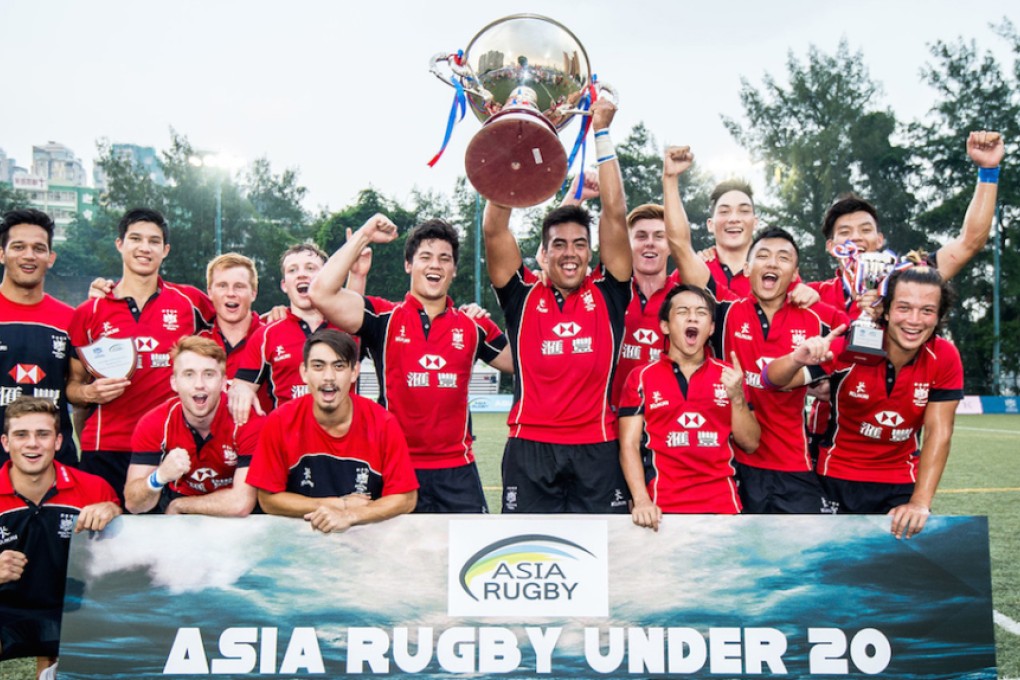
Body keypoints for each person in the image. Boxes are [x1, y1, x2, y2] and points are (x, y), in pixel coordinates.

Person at [664, 146, 848, 514]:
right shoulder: (726, 312)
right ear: (748, 267)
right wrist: (670, 179)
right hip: (732, 465)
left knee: (797, 568)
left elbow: (856, 342)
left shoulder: (819, 321)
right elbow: (680, 246)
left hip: (793, 466)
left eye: (784, 258)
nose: (772, 263)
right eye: (763, 255)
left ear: (796, 273)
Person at [482, 98, 631, 514]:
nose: (571, 254)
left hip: (597, 449)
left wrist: (600, 131)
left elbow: (616, 214)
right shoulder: (522, 295)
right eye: (559, 245)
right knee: (525, 552)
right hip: (530, 448)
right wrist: (518, 133)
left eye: (580, 245)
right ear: (543, 254)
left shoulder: (609, 292)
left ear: (590, 252)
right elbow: (495, 228)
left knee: (602, 561)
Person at [309, 216, 511, 513]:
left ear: (454, 270)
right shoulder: (383, 318)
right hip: (395, 468)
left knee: (465, 559)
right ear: (408, 265)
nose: (435, 265)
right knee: (393, 559)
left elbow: (524, 361)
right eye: (425, 257)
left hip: (458, 471)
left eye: (445, 259)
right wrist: (364, 234)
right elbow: (321, 292)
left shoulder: (474, 324)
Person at [765, 261, 962, 539]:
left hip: (899, 484)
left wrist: (920, 502)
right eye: (904, 308)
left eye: (927, 310)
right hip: (836, 478)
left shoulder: (944, 356)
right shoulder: (855, 345)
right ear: (886, 309)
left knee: (890, 577)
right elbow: (772, 381)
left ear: (939, 315)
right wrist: (797, 359)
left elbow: (939, 433)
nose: (915, 320)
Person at [66, 208, 214, 501]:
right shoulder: (89, 311)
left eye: (154, 241)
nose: (145, 248)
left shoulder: (190, 302)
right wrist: (90, 393)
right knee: (103, 539)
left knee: (168, 540)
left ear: (165, 250)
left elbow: (238, 326)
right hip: (106, 448)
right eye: (135, 239)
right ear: (120, 244)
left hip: (170, 448)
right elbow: (71, 386)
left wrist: (275, 313)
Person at [246, 329, 417, 532]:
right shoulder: (280, 421)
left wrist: (350, 516)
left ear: (354, 372)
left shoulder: (383, 423)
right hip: (297, 543)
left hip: (367, 542)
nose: (329, 377)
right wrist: (338, 505)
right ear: (304, 372)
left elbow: (407, 498)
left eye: (339, 366)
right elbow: (268, 499)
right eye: (318, 366)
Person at [619, 285, 759, 528]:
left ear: (712, 328)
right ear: (665, 326)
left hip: (723, 509)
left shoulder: (730, 376)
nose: (693, 317)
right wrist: (641, 500)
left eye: (702, 313)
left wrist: (737, 397)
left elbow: (750, 443)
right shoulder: (640, 377)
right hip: (661, 512)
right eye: (683, 311)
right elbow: (629, 445)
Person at [0, 396, 120, 678]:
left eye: (42, 434)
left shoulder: (94, 488)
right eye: (21, 435)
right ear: (6, 443)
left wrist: (114, 510)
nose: (32, 443)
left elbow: (123, 557)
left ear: (58, 441)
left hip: (73, 610)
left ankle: (51, 668)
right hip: (6, 611)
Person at [123, 337, 263, 516]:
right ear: (174, 382)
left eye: (209, 374)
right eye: (189, 374)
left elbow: (241, 503)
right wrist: (159, 477)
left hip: (231, 516)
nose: (199, 385)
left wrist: (181, 506)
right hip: (179, 500)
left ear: (223, 382)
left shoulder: (246, 419)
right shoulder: (155, 422)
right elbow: (134, 505)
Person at [230, 243, 345, 420]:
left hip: (341, 441)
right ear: (284, 285)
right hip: (288, 442)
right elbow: (241, 386)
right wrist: (242, 392)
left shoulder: (347, 328)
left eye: (310, 268)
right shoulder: (266, 335)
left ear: (326, 277)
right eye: (292, 270)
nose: (301, 274)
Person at [0, 209, 77, 468]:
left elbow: (79, 393)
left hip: (54, 467)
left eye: (39, 248)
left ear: (51, 257)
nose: (29, 255)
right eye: (18, 247)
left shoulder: (71, 320)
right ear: (1, 253)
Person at [198, 253, 273, 414]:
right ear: (210, 292)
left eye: (239, 286)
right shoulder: (197, 344)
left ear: (253, 293)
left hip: (260, 437)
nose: (231, 293)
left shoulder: (272, 338)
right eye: (222, 285)